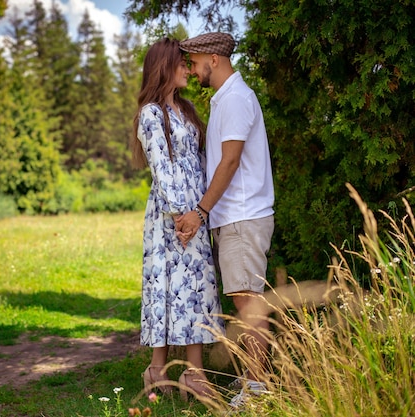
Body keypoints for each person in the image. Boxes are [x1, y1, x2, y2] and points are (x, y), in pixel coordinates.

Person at [175, 32, 275, 408]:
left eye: (194, 61)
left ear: (213, 60)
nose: (191, 68)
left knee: (249, 305)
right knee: (245, 301)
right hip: (235, 219)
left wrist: (200, 211)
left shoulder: (235, 99)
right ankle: (254, 384)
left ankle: (258, 390)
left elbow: (230, 162)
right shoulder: (225, 100)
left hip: (243, 218)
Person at [131, 37, 225, 401]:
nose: (188, 68)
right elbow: (162, 168)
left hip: (195, 216)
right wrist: (179, 216)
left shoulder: (186, 111)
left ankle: (193, 373)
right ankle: (157, 369)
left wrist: (200, 212)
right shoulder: (151, 113)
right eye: (181, 63)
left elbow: (200, 164)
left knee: (197, 291)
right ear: (164, 66)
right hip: (171, 218)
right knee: (167, 290)